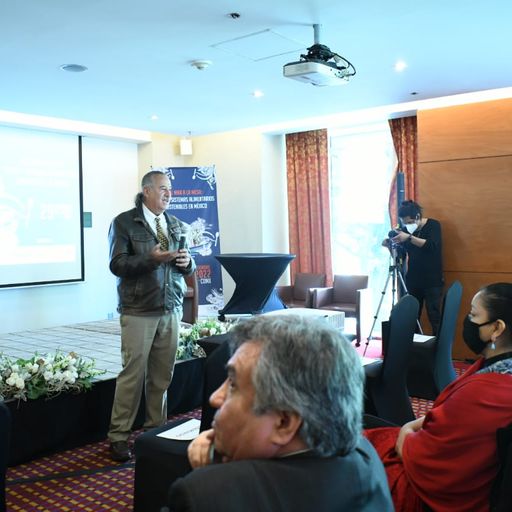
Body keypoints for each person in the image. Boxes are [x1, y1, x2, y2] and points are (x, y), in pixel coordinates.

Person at [166, 315, 394, 511]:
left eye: (233, 385)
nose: (215, 397)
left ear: (284, 423)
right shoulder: (366, 455)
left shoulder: (204, 495)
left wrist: (214, 476)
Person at [365, 282, 512, 512]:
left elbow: (422, 458)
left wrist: (407, 429)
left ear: (497, 328)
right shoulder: (497, 370)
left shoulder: (484, 393)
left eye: (474, 315)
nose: (467, 321)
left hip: (436, 494)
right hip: (468, 473)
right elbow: (452, 420)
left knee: (352, 450)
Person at [107, 170, 195, 462]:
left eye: (170, 189)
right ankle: (119, 436)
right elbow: (117, 265)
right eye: (162, 188)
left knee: (162, 376)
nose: (169, 193)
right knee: (132, 375)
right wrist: (151, 259)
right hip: (139, 310)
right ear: (146, 191)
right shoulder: (124, 222)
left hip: (171, 309)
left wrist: (187, 262)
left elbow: (189, 267)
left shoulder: (176, 224)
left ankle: (155, 431)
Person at [386, 200, 444, 335]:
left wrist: (409, 237)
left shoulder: (433, 225)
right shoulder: (405, 231)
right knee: (412, 316)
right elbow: (400, 256)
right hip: (413, 280)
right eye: (405, 223)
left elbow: (431, 246)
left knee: (434, 316)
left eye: (409, 222)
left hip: (432, 281)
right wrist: (390, 246)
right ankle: (413, 343)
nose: (407, 225)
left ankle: (438, 345)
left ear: (417, 216)